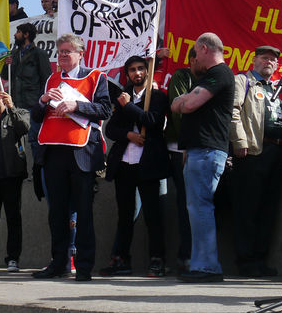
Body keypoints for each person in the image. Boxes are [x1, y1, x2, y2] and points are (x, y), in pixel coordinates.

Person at [30, 34, 112, 281]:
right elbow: (36, 116)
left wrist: (78, 107)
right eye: (60, 51)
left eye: (68, 51)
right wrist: (43, 100)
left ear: (81, 54)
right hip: (54, 151)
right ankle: (58, 263)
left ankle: (84, 267)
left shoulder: (96, 77)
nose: (62, 55)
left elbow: (105, 110)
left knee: (84, 212)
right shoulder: (52, 80)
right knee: (56, 213)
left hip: (81, 151)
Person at [170, 33, 235, 283]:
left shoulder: (218, 73)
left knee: (200, 209)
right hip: (200, 151)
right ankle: (202, 263)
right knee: (197, 209)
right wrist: (183, 100)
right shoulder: (212, 76)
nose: (194, 57)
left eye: (196, 52)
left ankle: (206, 266)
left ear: (204, 48)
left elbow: (187, 105)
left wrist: (181, 100)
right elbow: (186, 102)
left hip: (206, 151)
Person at [100, 56, 169, 277]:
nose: (137, 73)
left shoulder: (157, 96)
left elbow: (152, 121)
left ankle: (157, 260)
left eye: (141, 68)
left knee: (152, 215)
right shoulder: (123, 98)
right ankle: (120, 259)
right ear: (127, 73)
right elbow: (111, 130)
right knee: (125, 215)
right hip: (124, 164)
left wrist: (128, 106)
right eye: (132, 70)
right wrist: (128, 134)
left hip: (148, 165)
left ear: (147, 71)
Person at [229, 45, 282, 277]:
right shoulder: (243, 82)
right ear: (254, 61)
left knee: (268, 209)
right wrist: (239, 140)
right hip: (252, 152)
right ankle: (246, 261)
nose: (269, 63)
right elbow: (232, 111)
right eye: (265, 58)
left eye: (273, 61)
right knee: (248, 208)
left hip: (277, 153)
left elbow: (281, 120)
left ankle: (260, 260)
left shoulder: (277, 89)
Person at [164, 46, 206, 273]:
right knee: (186, 204)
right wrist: (187, 144)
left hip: (205, 150)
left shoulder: (213, 79)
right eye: (201, 58)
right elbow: (179, 110)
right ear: (191, 60)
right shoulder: (182, 76)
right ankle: (186, 256)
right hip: (182, 151)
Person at [0, 85, 29, 272]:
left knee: (12, 218)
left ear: (1, 96)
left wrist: (12, 108)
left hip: (11, 175)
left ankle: (13, 258)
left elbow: (24, 128)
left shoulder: (18, 112)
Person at [5, 23, 52, 110]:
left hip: (32, 105)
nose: (15, 35)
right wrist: (6, 65)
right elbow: (5, 76)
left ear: (26, 35)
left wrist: (42, 103)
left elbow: (47, 80)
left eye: (18, 32)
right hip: (15, 105)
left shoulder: (39, 54)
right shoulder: (13, 54)